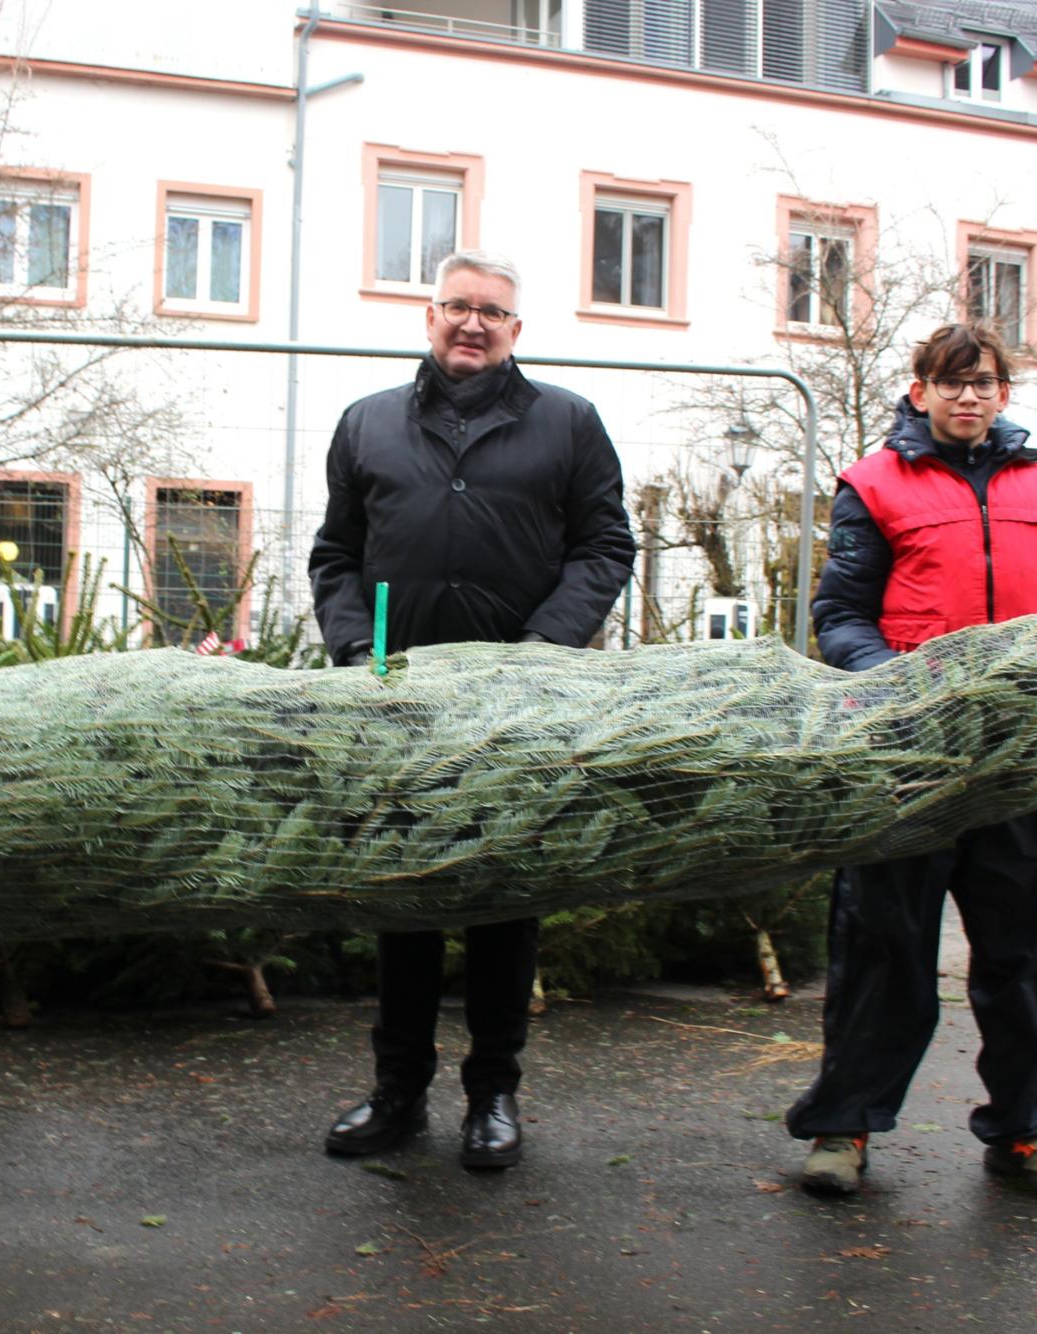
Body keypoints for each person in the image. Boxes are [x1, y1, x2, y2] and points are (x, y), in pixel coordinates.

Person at [308, 251, 636, 1170]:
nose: (473, 324)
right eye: (458, 306)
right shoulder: (366, 424)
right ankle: (397, 1092)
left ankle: (493, 1094)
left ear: (516, 331)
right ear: (429, 316)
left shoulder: (567, 424)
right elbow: (335, 554)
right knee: (405, 906)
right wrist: (353, 652)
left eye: (492, 312)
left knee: (504, 907)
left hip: (518, 705)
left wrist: (542, 654)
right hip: (398, 701)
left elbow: (606, 546)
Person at [786, 322, 1037, 1202]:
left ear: (1003, 393)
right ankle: (842, 1127)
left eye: (985, 381)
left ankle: (1030, 1133)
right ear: (919, 390)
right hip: (909, 760)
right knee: (884, 947)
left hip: (1016, 758)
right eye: (951, 381)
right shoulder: (875, 484)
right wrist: (894, 686)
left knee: (1024, 955)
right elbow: (840, 612)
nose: (969, 396)